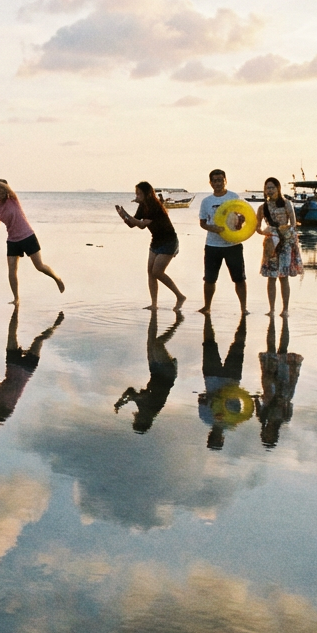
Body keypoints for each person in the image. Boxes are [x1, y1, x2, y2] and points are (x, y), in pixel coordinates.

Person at [0, 180, 65, 304]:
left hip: (27, 236)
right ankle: (16, 299)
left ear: (5, 190)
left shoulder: (13, 199)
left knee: (39, 266)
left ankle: (57, 279)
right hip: (12, 240)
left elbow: (7, 186)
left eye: (0, 189)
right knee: (12, 270)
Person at [116, 181, 186, 310]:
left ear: (147, 194)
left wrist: (127, 214)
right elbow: (133, 224)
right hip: (156, 241)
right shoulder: (143, 206)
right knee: (150, 272)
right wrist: (124, 217)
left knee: (157, 272)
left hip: (169, 241)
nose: (136, 195)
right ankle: (154, 304)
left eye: (139, 193)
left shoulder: (154, 206)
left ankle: (180, 296)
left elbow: (142, 224)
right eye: (136, 193)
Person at [0, 309, 63, 424]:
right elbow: (6, 410)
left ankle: (16, 309)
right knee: (39, 340)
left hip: (12, 364)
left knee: (12, 333)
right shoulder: (9, 404)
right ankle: (56, 325)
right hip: (27, 368)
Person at [114, 310, 182, 434]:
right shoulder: (154, 408)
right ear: (147, 420)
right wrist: (126, 400)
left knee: (150, 340)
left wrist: (122, 400)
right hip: (167, 373)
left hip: (155, 371)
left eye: (136, 420)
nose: (137, 417)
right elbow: (139, 396)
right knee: (157, 344)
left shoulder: (142, 408)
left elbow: (130, 390)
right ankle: (177, 323)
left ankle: (154, 314)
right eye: (139, 420)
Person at [197, 169, 247, 315]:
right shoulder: (206, 201)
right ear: (210, 183)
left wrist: (240, 223)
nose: (218, 183)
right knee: (209, 279)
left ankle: (243, 309)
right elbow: (202, 223)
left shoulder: (233, 197)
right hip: (213, 245)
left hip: (233, 245)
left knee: (239, 278)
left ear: (225, 181)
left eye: (220, 180)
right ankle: (207, 307)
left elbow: (242, 217)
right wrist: (212, 228)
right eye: (215, 180)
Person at [255, 177, 302, 317]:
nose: (269, 190)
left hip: (286, 242)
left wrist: (286, 234)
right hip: (271, 242)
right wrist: (265, 232)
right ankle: (272, 309)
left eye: (272, 187)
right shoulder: (262, 208)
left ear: (278, 188)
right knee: (271, 277)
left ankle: (285, 309)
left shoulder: (287, 204)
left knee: (283, 277)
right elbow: (257, 227)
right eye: (267, 188)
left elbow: (293, 224)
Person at [199, 316, 248, 450]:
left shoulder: (205, 418)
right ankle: (243, 318)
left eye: (212, 438)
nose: (215, 436)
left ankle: (207, 317)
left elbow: (201, 398)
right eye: (217, 439)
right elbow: (238, 400)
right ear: (222, 438)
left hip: (211, 376)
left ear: (209, 436)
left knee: (209, 343)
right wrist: (223, 396)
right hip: (232, 378)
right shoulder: (232, 421)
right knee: (239, 345)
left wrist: (211, 397)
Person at [256, 316, 302, 448]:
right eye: (270, 436)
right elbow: (289, 403)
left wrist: (262, 397)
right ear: (275, 435)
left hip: (269, 384)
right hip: (284, 388)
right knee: (283, 351)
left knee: (271, 350)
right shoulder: (285, 418)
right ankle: (284, 322)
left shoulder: (262, 417)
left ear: (263, 433)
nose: (268, 432)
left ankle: (274, 321)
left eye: (266, 435)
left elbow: (256, 400)